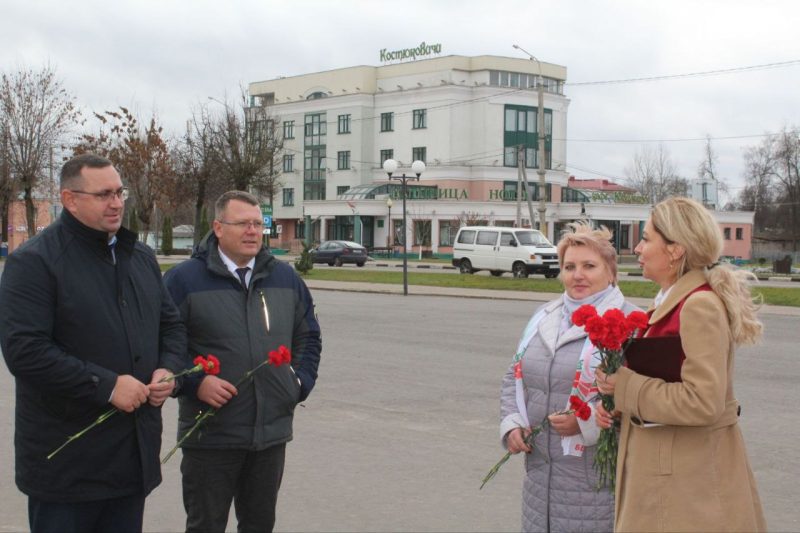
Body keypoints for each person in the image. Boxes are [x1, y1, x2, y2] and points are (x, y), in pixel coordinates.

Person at [0, 154, 187, 533]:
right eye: (103, 195)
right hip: (68, 465)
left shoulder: (140, 258)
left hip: (131, 458)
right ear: (69, 199)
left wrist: (169, 369)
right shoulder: (34, 263)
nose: (116, 203)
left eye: (119, 192)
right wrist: (107, 386)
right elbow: (26, 352)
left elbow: (171, 326)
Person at [595, 197, 766, 532]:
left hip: (688, 489)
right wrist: (620, 407)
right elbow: (666, 381)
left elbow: (703, 402)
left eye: (646, 238)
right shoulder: (670, 302)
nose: (638, 248)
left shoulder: (697, 305)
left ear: (674, 250)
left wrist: (626, 388)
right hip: (673, 476)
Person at [163, 190, 322, 533]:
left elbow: (308, 336)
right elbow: (163, 344)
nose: (253, 231)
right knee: (206, 525)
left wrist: (297, 384)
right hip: (211, 435)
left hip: (269, 436)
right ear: (218, 227)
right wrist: (194, 382)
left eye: (258, 224)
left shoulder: (285, 278)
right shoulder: (183, 280)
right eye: (243, 224)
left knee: (259, 525)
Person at [499, 223, 638, 532]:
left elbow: (641, 401)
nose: (578, 275)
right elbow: (514, 375)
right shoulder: (543, 317)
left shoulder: (631, 323)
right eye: (569, 266)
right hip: (540, 478)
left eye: (589, 265)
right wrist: (511, 424)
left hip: (593, 482)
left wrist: (586, 422)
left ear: (611, 272)